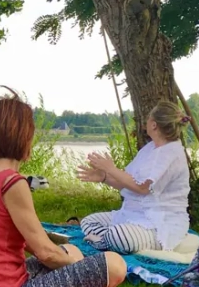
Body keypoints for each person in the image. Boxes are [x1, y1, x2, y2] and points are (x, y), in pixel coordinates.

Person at [0, 89, 127, 287]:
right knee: (115, 265)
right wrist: (81, 267)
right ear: (22, 136)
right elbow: (45, 252)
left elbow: (26, 241)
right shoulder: (11, 182)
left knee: (72, 250)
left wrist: (72, 262)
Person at [76, 101, 191, 254]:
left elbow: (142, 188)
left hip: (160, 221)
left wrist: (111, 169)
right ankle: (109, 239)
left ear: (154, 125)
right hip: (132, 215)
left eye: (149, 118)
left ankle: (107, 240)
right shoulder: (150, 148)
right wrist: (104, 177)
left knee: (120, 235)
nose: (147, 122)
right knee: (88, 222)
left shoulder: (171, 153)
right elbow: (129, 183)